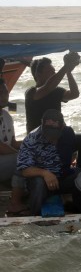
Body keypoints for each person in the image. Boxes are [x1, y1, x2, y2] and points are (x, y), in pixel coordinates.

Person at [25, 52, 81, 169]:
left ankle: (79, 172)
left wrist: (68, 72)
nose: (54, 74)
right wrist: (66, 66)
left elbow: (74, 94)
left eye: (54, 71)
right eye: (49, 72)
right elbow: (47, 87)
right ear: (38, 74)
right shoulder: (32, 92)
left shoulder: (56, 91)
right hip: (39, 142)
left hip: (58, 137)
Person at [17, 109, 79, 216]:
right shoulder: (31, 139)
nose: (51, 137)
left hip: (62, 176)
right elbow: (24, 170)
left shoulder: (68, 133)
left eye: (55, 133)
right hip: (42, 181)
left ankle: (78, 207)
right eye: (48, 133)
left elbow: (73, 153)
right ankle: (34, 213)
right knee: (38, 183)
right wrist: (45, 173)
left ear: (62, 126)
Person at [0, 78, 27, 216]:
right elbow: (1, 147)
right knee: (22, 159)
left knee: (30, 154)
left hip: (4, 163)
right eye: (1, 92)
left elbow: (12, 142)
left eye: (6, 91)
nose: (6, 94)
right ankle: (14, 204)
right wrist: (22, 154)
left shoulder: (6, 116)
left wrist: (31, 144)